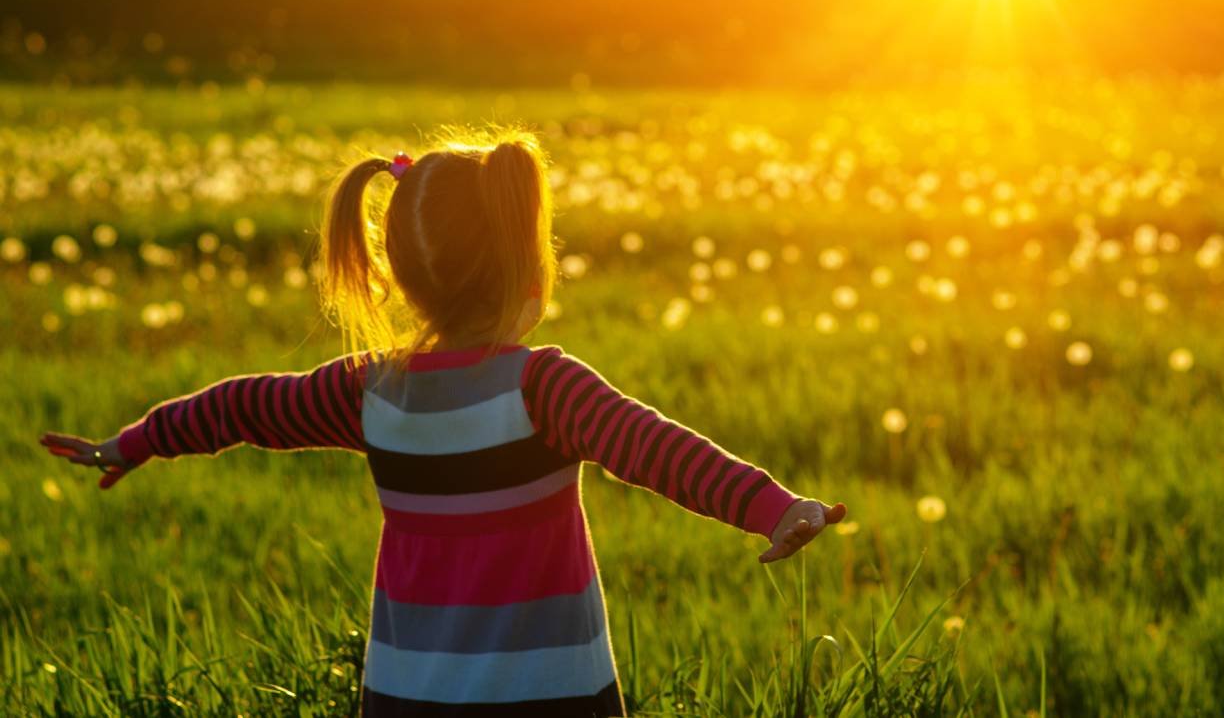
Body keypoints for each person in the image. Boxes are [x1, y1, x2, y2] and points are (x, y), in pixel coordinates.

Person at [42, 129, 848, 717]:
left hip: (404, 694)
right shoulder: (542, 386)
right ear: (525, 266)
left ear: (400, 274)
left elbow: (241, 406)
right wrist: (775, 506)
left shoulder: (368, 390)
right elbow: (659, 450)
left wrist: (137, 440)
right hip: (551, 695)